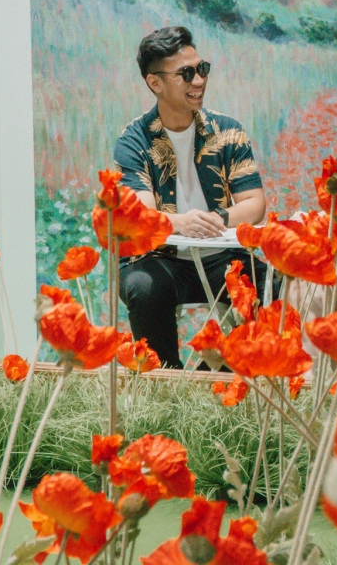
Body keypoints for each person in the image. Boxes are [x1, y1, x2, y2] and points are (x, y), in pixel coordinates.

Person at [113, 26, 266, 368]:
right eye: (186, 74)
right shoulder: (133, 140)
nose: (198, 81)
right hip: (159, 257)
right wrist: (184, 222)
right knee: (143, 287)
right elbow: (142, 217)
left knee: (267, 283)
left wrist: (220, 219)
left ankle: (220, 379)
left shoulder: (229, 131)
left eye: (202, 69)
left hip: (220, 253)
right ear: (155, 83)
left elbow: (255, 203)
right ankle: (167, 388)